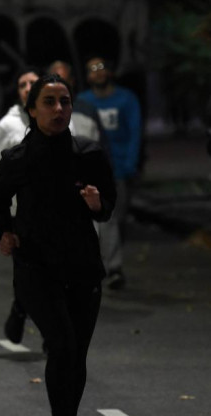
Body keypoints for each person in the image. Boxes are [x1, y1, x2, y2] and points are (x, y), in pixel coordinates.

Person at [0, 74, 116, 416]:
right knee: (61, 346)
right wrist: (4, 232)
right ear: (32, 110)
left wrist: (97, 204)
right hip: (36, 268)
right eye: (49, 102)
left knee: (76, 353)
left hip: (83, 267)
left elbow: (108, 208)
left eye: (65, 102)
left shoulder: (89, 155)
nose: (59, 109)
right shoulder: (17, 159)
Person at [0, 67, 40, 345]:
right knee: (26, 270)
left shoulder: (57, 119)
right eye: (22, 84)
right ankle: (20, 307)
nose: (28, 88)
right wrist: (12, 183)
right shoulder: (8, 126)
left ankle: (51, 334)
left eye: (33, 82)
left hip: (52, 213)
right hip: (21, 212)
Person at [78, 57, 141, 290]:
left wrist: (130, 165)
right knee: (96, 219)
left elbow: (135, 133)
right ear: (87, 76)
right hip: (94, 171)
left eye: (102, 67)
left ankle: (112, 258)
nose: (98, 73)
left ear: (110, 72)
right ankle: (108, 266)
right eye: (92, 69)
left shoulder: (126, 99)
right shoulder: (83, 102)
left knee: (118, 217)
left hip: (119, 169)